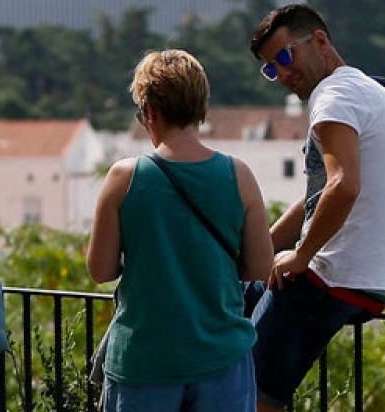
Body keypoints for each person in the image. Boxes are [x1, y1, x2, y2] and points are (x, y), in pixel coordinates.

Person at [247, 4, 385, 411]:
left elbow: (344, 186)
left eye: (285, 57)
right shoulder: (374, 91)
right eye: (272, 69)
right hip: (371, 284)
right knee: (238, 288)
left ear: (320, 41)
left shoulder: (333, 95)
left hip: (329, 278)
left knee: (248, 395)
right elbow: (320, 195)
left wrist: (301, 256)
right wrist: (267, 245)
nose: (283, 75)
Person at [86, 49, 273, 410]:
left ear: (150, 112)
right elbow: (260, 268)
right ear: (202, 111)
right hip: (221, 363)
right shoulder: (239, 175)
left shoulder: (124, 178)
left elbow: (100, 270)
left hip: (144, 362)